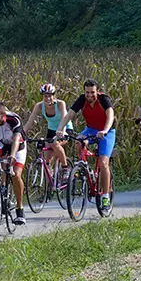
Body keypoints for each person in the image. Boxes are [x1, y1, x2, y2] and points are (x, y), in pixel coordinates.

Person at [55, 79, 116, 210]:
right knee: (79, 141)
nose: (89, 95)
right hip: (91, 129)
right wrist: (60, 129)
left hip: (107, 131)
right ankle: (83, 168)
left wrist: (105, 130)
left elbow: (110, 115)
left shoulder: (103, 99)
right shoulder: (82, 99)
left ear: (97, 91)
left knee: (104, 162)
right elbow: (69, 115)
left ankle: (105, 196)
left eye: (92, 92)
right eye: (87, 92)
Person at [23, 83, 73, 181]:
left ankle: (65, 168)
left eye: (50, 96)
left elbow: (64, 117)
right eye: (45, 96)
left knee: (55, 144)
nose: (48, 98)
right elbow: (30, 122)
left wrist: (62, 131)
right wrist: (22, 133)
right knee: (47, 158)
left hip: (65, 128)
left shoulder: (60, 104)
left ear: (54, 96)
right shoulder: (39, 106)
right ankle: (49, 185)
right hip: (51, 131)